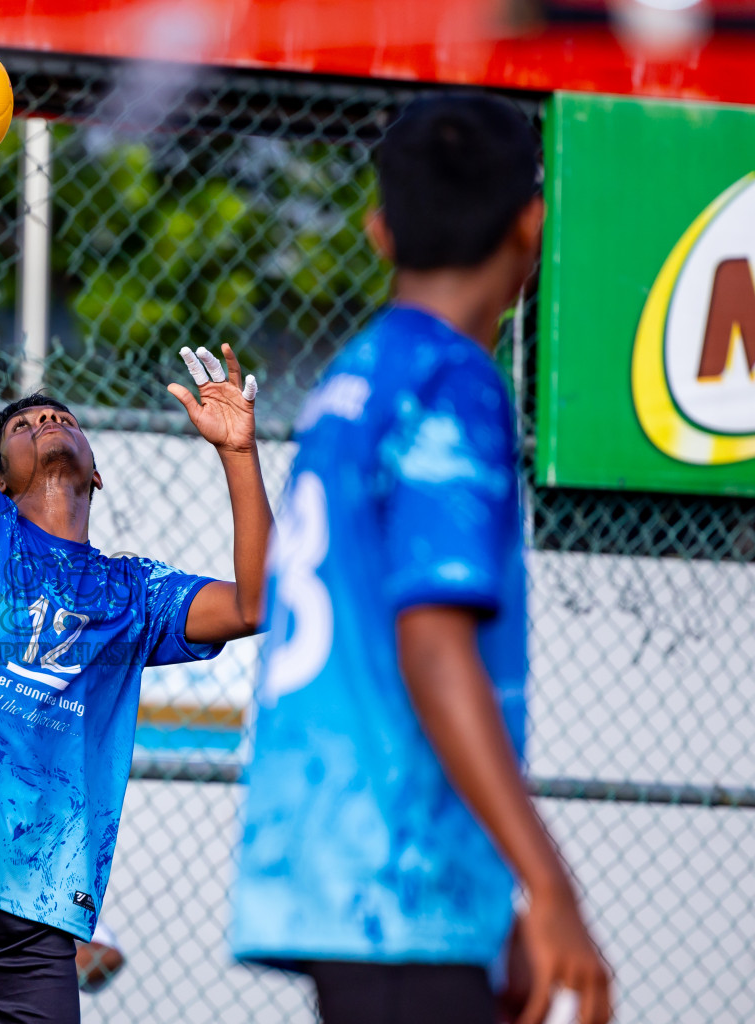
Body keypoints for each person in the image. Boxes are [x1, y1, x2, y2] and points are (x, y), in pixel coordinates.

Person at [0, 145, 273, 1024]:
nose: (46, 419)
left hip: (37, 898)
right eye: (24, 423)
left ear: (97, 472)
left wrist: (242, 458)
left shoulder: (133, 594)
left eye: (60, 416)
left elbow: (258, 603)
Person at [230, 94, 612, 1024]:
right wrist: (547, 884)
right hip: (397, 876)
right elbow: (433, 644)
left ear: (378, 231)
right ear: (533, 223)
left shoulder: (352, 380)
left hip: (344, 867)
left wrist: (495, 900)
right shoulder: (452, 384)